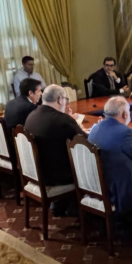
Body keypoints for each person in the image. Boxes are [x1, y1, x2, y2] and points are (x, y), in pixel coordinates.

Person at [88, 96, 132, 217]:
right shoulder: (125, 132)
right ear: (125, 114)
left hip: (103, 184)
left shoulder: (95, 128)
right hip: (125, 191)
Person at [24, 85, 87, 215]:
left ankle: (61, 204)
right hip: (57, 177)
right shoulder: (62, 120)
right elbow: (86, 142)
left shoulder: (31, 116)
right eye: (66, 99)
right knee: (92, 163)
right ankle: (79, 208)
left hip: (37, 172)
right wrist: (75, 123)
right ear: (60, 100)